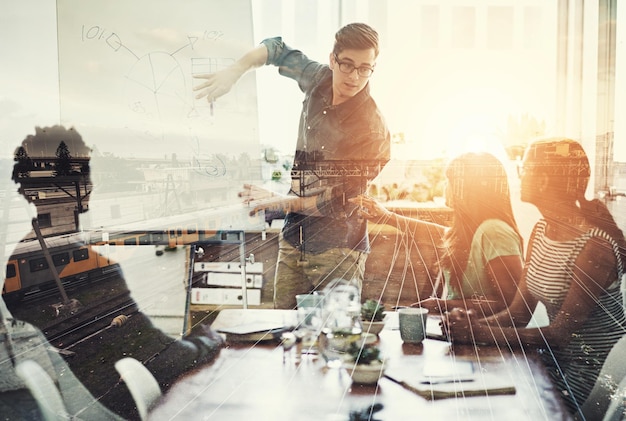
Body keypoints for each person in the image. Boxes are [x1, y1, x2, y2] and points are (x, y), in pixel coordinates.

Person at [5, 125, 223, 420]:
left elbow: (141, 341)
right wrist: (210, 342)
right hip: (122, 401)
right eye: (79, 175)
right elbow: (154, 354)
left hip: (100, 394)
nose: (89, 185)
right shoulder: (52, 266)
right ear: (37, 192)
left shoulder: (33, 259)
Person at [195, 23, 390, 309]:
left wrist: (280, 202)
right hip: (293, 239)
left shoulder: (372, 131)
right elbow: (276, 49)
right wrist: (235, 70)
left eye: (365, 68)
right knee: (282, 334)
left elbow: (337, 203)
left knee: (336, 338)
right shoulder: (319, 78)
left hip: (339, 251)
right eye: (347, 65)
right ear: (332, 59)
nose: (354, 76)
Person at [445, 138, 626, 418]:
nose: (520, 174)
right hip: (551, 361)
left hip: (586, 374)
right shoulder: (542, 230)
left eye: (525, 168)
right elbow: (518, 313)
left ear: (542, 180)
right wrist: (470, 325)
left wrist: (479, 333)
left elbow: (559, 336)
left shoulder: (595, 247)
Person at [353, 151, 524, 317]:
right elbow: (440, 234)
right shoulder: (472, 230)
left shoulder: (495, 231)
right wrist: (387, 217)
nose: (445, 186)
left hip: (485, 342)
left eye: (450, 181)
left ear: (470, 188)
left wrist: (442, 305)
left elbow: (511, 305)